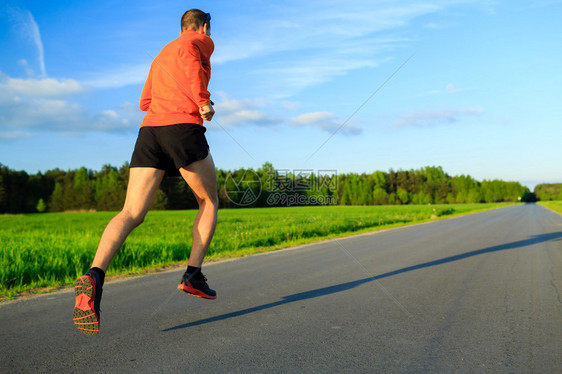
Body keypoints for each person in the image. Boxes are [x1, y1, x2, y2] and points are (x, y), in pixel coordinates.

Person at [73, 9, 218, 336]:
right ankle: (193, 275)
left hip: (150, 131)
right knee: (208, 202)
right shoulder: (199, 40)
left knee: (132, 211)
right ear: (203, 26)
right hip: (182, 126)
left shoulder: (160, 55)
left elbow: (144, 101)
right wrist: (203, 100)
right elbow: (195, 65)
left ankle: (94, 275)